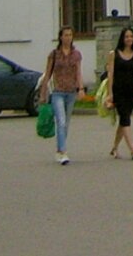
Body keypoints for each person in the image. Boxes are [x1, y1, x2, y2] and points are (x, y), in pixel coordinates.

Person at [38, 26, 88, 165]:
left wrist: (81, 88)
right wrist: (43, 92)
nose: (68, 38)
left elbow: (78, 72)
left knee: (66, 123)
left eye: (70, 35)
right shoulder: (54, 54)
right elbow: (47, 74)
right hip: (58, 92)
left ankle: (59, 149)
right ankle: (63, 151)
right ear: (60, 37)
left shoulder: (76, 54)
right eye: (65, 35)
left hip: (71, 92)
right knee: (61, 121)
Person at [106, 27, 133, 159]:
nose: (129, 39)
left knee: (125, 119)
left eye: (131, 36)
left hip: (131, 90)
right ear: (122, 39)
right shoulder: (114, 54)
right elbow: (110, 74)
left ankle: (114, 148)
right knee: (125, 117)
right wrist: (110, 93)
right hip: (118, 89)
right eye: (127, 36)